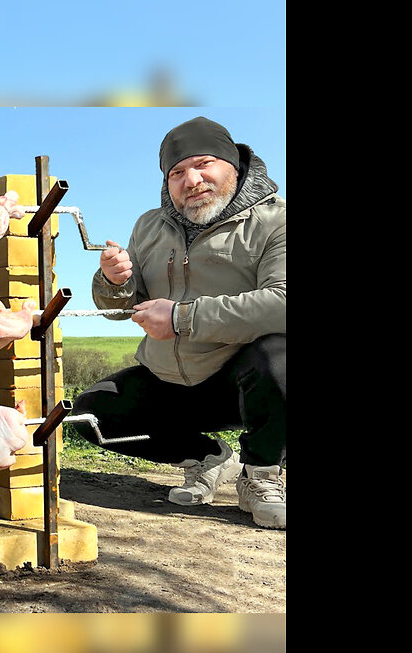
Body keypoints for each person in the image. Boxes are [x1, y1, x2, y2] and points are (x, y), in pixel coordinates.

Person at [75, 116, 286, 529]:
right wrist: (114, 282)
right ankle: (207, 459)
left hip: (240, 380)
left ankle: (261, 474)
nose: (191, 180)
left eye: (204, 164)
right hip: (169, 378)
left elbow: (282, 302)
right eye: (177, 172)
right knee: (90, 414)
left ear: (235, 166)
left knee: (281, 357)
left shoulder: (276, 221)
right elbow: (122, 308)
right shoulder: (149, 225)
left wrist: (180, 318)